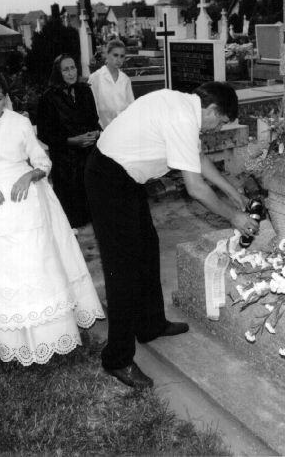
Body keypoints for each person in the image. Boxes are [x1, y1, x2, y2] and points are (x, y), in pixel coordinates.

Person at [84, 81, 259, 388]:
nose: (217, 128)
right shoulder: (183, 117)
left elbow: (199, 160)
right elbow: (196, 188)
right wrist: (234, 217)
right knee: (123, 269)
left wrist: (234, 194)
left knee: (147, 249)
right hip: (108, 179)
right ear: (211, 110)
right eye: (220, 122)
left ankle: (150, 324)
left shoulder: (184, 107)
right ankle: (117, 359)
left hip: (125, 178)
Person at [0, 68, 105, 366]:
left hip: (26, 201)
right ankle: (12, 340)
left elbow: (42, 161)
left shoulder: (20, 123)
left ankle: (49, 335)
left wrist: (29, 175)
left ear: (6, 98)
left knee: (36, 264)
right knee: (2, 270)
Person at [37, 54, 100, 229]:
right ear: (58, 72)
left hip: (87, 156)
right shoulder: (48, 98)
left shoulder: (85, 91)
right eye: (66, 69)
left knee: (92, 208)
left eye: (73, 68)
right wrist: (71, 141)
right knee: (71, 213)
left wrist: (95, 134)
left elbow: (94, 120)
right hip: (65, 161)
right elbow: (44, 133)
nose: (71, 73)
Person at [88, 39, 135, 128]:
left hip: (123, 127)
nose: (118, 60)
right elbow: (91, 107)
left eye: (122, 56)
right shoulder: (95, 77)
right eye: (115, 55)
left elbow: (131, 106)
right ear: (107, 54)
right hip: (103, 128)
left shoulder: (125, 79)